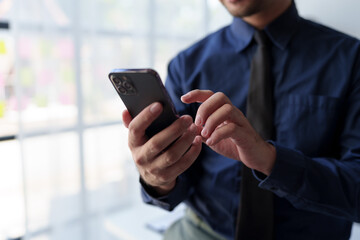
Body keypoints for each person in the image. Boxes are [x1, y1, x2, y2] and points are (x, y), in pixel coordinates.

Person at [122, 0, 360, 239]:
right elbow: (180, 182)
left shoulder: (351, 60)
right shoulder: (187, 65)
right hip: (202, 231)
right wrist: (158, 178)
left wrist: (270, 160)